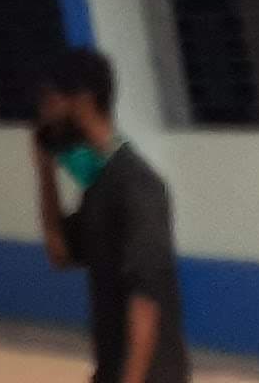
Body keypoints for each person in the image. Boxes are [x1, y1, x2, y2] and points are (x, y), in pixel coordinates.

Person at [37, 46, 188, 383]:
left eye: (50, 100)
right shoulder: (99, 186)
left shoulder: (137, 186)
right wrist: (45, 173)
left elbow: (145, 297)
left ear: (82, 100)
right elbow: (60, 253)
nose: (44, 114)